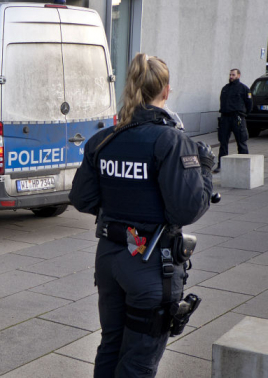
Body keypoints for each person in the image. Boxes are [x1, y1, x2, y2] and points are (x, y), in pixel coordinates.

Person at [69, 53, 214, 377]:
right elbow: (187, 208)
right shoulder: (171, 140)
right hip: (149, 264)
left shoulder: (103, 139)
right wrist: (204, 169)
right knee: (139, 362)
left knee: (111, 344)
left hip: (109, 257)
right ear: (165, 90)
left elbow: (81, 198)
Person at [215, 68, 252, 173]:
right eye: (230, 74)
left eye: (233, 75)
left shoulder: (244, 89)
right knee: (223, 142)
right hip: (225, 118)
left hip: (238, 117)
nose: (231, 77)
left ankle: (244, 165)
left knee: (241, 142)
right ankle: (221, 165)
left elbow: (249, 105)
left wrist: (243, 115)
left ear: (238, 76)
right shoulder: (225, 88)